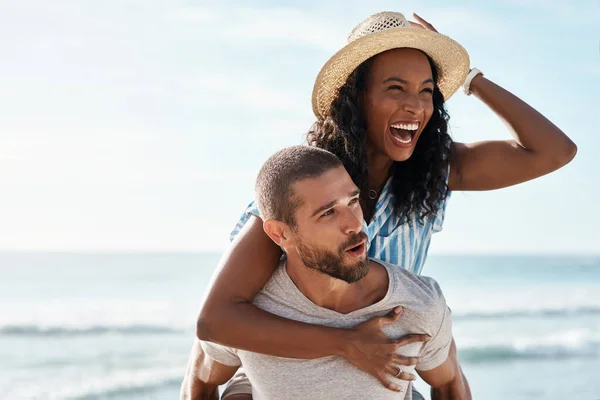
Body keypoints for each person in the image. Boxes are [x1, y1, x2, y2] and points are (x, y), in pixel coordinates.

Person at [181, 11, 576, 400]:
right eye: (395, 88)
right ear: (357, 97)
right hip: (282, 371)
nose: (416, 107)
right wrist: (345, 343)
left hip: (381, 371)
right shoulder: (307, 186)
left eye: (426, 91)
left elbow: (554, 151)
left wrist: (471, 78)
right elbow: (216, 322)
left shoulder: (433, 172)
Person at [191, 146, 469, 400]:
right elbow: (202, 380)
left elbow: (449, 383)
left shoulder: (418, 304)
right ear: (280, 233)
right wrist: (345, 343)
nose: (354, 224)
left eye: (353, 201)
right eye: (327, 213)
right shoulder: (251, 314)